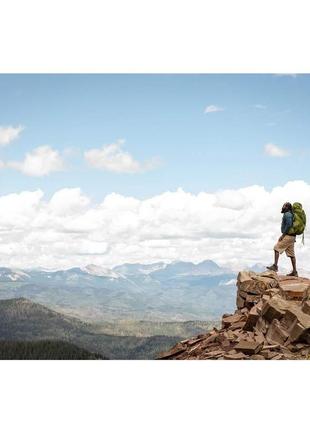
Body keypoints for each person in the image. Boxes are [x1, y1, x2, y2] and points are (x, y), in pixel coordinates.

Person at [267, 202, 298, 277]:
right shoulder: (291, 214)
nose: (282, 207)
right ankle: (294, 272)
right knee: (291, 254)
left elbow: (289, 224)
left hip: (287, 236)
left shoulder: (287, 214)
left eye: (284, 206)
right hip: (292, 237)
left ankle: (275, 266)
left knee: (276, 248)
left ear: (287, 207)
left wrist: (283, 235)